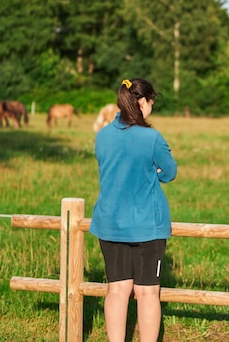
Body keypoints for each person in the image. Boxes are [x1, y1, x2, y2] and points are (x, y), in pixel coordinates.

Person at [90, 77, 177, 342]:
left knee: (117, 290)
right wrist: (153, 174)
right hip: (147, 227)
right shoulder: (151, 137)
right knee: (147, 292)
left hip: (109, 224)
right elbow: (170, 172)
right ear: (142, 102)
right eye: (151, 102)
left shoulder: (102, 135)